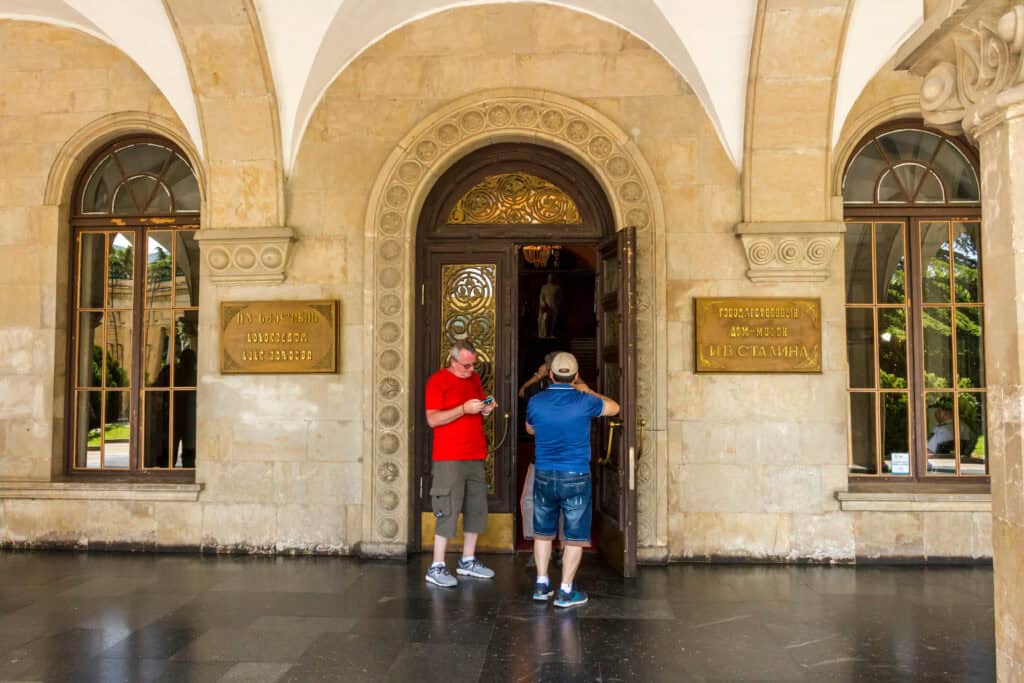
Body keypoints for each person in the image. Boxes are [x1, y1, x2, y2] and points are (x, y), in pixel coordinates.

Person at [526, 351, 619, 608]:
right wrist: (588, 391)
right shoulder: (584, 401)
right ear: (575, 375)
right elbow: (614, 408)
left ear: (551, 375)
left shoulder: (536, 401)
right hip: (575, 474)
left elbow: (530, 428)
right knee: (575, 535)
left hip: (544, 472)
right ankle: (566, 591)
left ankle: (541, 584)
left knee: (543, 533)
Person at [424, 340, 498, 587]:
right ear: (453, 361)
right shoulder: (437, 381)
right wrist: (463, 409)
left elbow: (476, 408)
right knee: (448, 507)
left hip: (475, 454)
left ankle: (468, 560)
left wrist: (485, 409)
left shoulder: (474, 379)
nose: (471, 369)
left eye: (473, 364)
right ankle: (437, 566)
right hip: (449, 456)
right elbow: (433, 419)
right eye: (466, 365)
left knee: (476, 507)